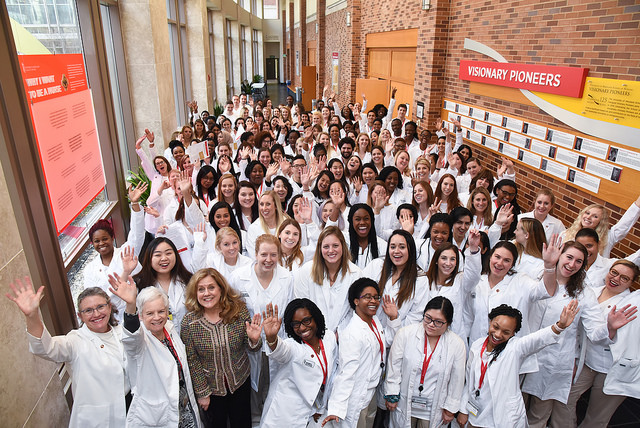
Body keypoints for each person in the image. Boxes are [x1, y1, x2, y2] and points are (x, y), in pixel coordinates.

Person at [522, 245, 637, 428]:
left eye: (579, 261)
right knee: (514, 406)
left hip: (553, 362)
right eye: (569, 257)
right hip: (524, 353)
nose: (572, 264)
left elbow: (595, 332)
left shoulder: (584, 293)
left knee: (538, 415)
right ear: (559, 255)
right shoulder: (537, 277)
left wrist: (609, 327)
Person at [7, 280, 128, 427]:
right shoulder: (75, 341)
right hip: (99, 420)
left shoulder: (122, 333)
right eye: (88, 310)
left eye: (100, 307)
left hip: (130, 409)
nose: (96, 314)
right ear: (80, 315)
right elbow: (46, 348)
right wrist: (32, 316)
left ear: (109, 307)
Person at [457, 302, 580, 428]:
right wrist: (463, 410)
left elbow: (537, 340)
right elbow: (469, 382)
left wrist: (560, 326)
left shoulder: (514, 348)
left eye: (506, 332)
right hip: (476, 415)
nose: (498, 334)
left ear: (513, 334)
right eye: (496, 327)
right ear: (490, 322)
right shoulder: (477, 346)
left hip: (502, 419)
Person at [551, 260, 639, 428]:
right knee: (563, 398)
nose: (616, 279)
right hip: (586, 360)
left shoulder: (631, 305)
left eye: (624, 278)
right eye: (614, 272)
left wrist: (611, 330)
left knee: (598, 416)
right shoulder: (593, 292)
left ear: (631, 283)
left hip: (611, 367)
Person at [107, 277, 201, 427]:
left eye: (161, 311)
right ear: (140, 316)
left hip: (183, 407)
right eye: (150, 313)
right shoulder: (139, 341)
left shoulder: (169, 328)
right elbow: (131, 337)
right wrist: (130, 305)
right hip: (157, 416)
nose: (157, 317)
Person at [180, 268, 263, 428]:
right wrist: (203, 393)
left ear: (221, 289)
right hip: (211, 390)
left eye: (211, 287)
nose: (207, 293)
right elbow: (192, 360)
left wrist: (254, 340)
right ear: (195, 293)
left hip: (240, 382)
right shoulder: (189, 323)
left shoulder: (238, 311)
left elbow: (253, 348)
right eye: (201, 289)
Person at [228, 234, 294, 423]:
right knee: (252, 396)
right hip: (249, 346)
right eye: (264, 254)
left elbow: (289, 311)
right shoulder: (238, 278)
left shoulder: (287, 277)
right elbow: (230, 312)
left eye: (273, 255)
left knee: (275, 393)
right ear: (255, 254)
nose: (268, 260)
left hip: (276, 343)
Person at [323, 278, 399, 427]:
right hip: (355, 396)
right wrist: (336, 408)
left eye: (376, 297)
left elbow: (386, 341)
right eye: (367, 297)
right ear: (356, 301)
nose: (374, 301)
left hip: (370, 394)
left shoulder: (374, 321)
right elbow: (346, 373)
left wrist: (393, 318)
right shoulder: (352, 333)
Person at [384, 297, 466, 428]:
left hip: (434, 409)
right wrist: (392, 394)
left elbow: (457, 379)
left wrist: (451, 409)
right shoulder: (405, 334)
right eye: (428, 318)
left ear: (448, 323)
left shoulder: (456, 344)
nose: (431, 324)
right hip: (404, 404)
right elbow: (394, 367)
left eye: (438, 322)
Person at [260, 300, 338, 427]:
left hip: (313, 410)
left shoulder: (329, 338)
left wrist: (318, 408)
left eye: (306, 321)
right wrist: (271, 338)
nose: (302, 328)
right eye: (296, 324)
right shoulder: (293, 346)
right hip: (284, 414)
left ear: (316, 318)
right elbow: (281, 351)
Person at [84, 183, 146, 320]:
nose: (101, 244)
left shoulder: (125, 253)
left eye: (105, 239)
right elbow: (90, 298)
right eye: (97, 241)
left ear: (112, 238)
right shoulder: (90, 269)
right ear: (92, 243)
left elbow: (137, 233)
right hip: (108, 319)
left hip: (135, 312)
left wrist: (134, 203)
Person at [294, 226, 363, 333]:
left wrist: (339, 333)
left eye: (335, 246)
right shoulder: (306, 271)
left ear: (343, 247)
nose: (331, 250)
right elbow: (301, 306)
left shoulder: (356, 273)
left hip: (345, 336)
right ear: (320, 248)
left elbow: (355, 310)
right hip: (312, 335)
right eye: (326, 246)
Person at [425, 230, 483, 337]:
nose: (448, 263)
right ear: (436, 260)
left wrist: (473, 249)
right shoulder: (425, 281)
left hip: (453, 336)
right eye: (444, 258)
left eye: (452, 259)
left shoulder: (460, 281)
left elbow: (474, 275)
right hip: (426, 334)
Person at [134, 237, 192, 334]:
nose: (164, 258)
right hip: (157, 341)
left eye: (169, 253)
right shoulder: (140, 285)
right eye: (158, 255)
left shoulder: (188, 280)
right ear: (149, 258)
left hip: (190, 340)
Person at [561, 194, 640, 257]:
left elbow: (626, 222)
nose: (588, 217)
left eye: (595, 216)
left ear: (601, 222)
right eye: (587, 213)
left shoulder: (608, 237)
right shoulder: (566, 234)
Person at [246, 191, 287, 257]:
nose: (264, 208)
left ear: (276, 206)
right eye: (261, 204)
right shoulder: (253, 228)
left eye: (268, 204)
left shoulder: (286, 224)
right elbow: (253, 255)